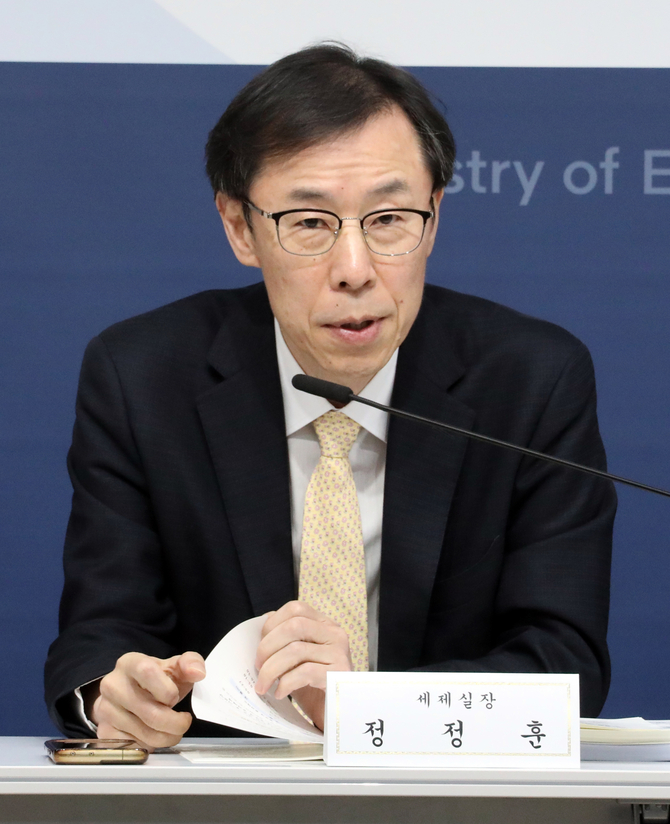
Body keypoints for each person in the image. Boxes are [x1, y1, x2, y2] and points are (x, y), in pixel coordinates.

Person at [45, 44, 616, 747]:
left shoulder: (531, 381)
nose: (355, 269)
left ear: (434, 216)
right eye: (310, 223)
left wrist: (362, 707)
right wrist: (114, 694)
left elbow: (563, 667)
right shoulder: (143, 378)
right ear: (239, 227)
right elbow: (100, 633)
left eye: (389, 218)